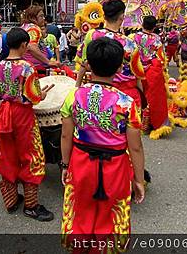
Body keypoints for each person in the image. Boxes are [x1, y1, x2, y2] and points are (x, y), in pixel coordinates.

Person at [61, 37, 145, 241]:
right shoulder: (127, 103)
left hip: (80, 162)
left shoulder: (74, 95)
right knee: (112, 216)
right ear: (118, 68)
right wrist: (139, 180)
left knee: (81, 211)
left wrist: (65, 164)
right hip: (115, 166)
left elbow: (65, 135)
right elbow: (135, 148)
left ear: (88, 65)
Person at [0, 28, 55, 221]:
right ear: (23, 45)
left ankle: (11, 200)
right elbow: (34, 97)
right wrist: (42, 94)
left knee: (7, 152)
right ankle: (31, 205)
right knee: (31, 154)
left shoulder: (0, 65)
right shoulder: (27, 67)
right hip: (22, 115)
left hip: (5, 112)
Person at [75, 0, 145, 114]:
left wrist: (77, 87)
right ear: (122, 17)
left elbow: (83, 63)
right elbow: (138, 75)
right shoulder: (130, 44)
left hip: (98, 92)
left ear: (104, 15)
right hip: (126, 95)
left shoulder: (92, 35)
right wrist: (142, 97)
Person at [21, 5, 59, 75]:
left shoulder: (24, 26)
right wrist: (48, 62)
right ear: (33, 17)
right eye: (41, 16)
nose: (44, 18)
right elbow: (31, 47)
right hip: (36, 67)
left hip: (28, 65)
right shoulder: (34, 28)